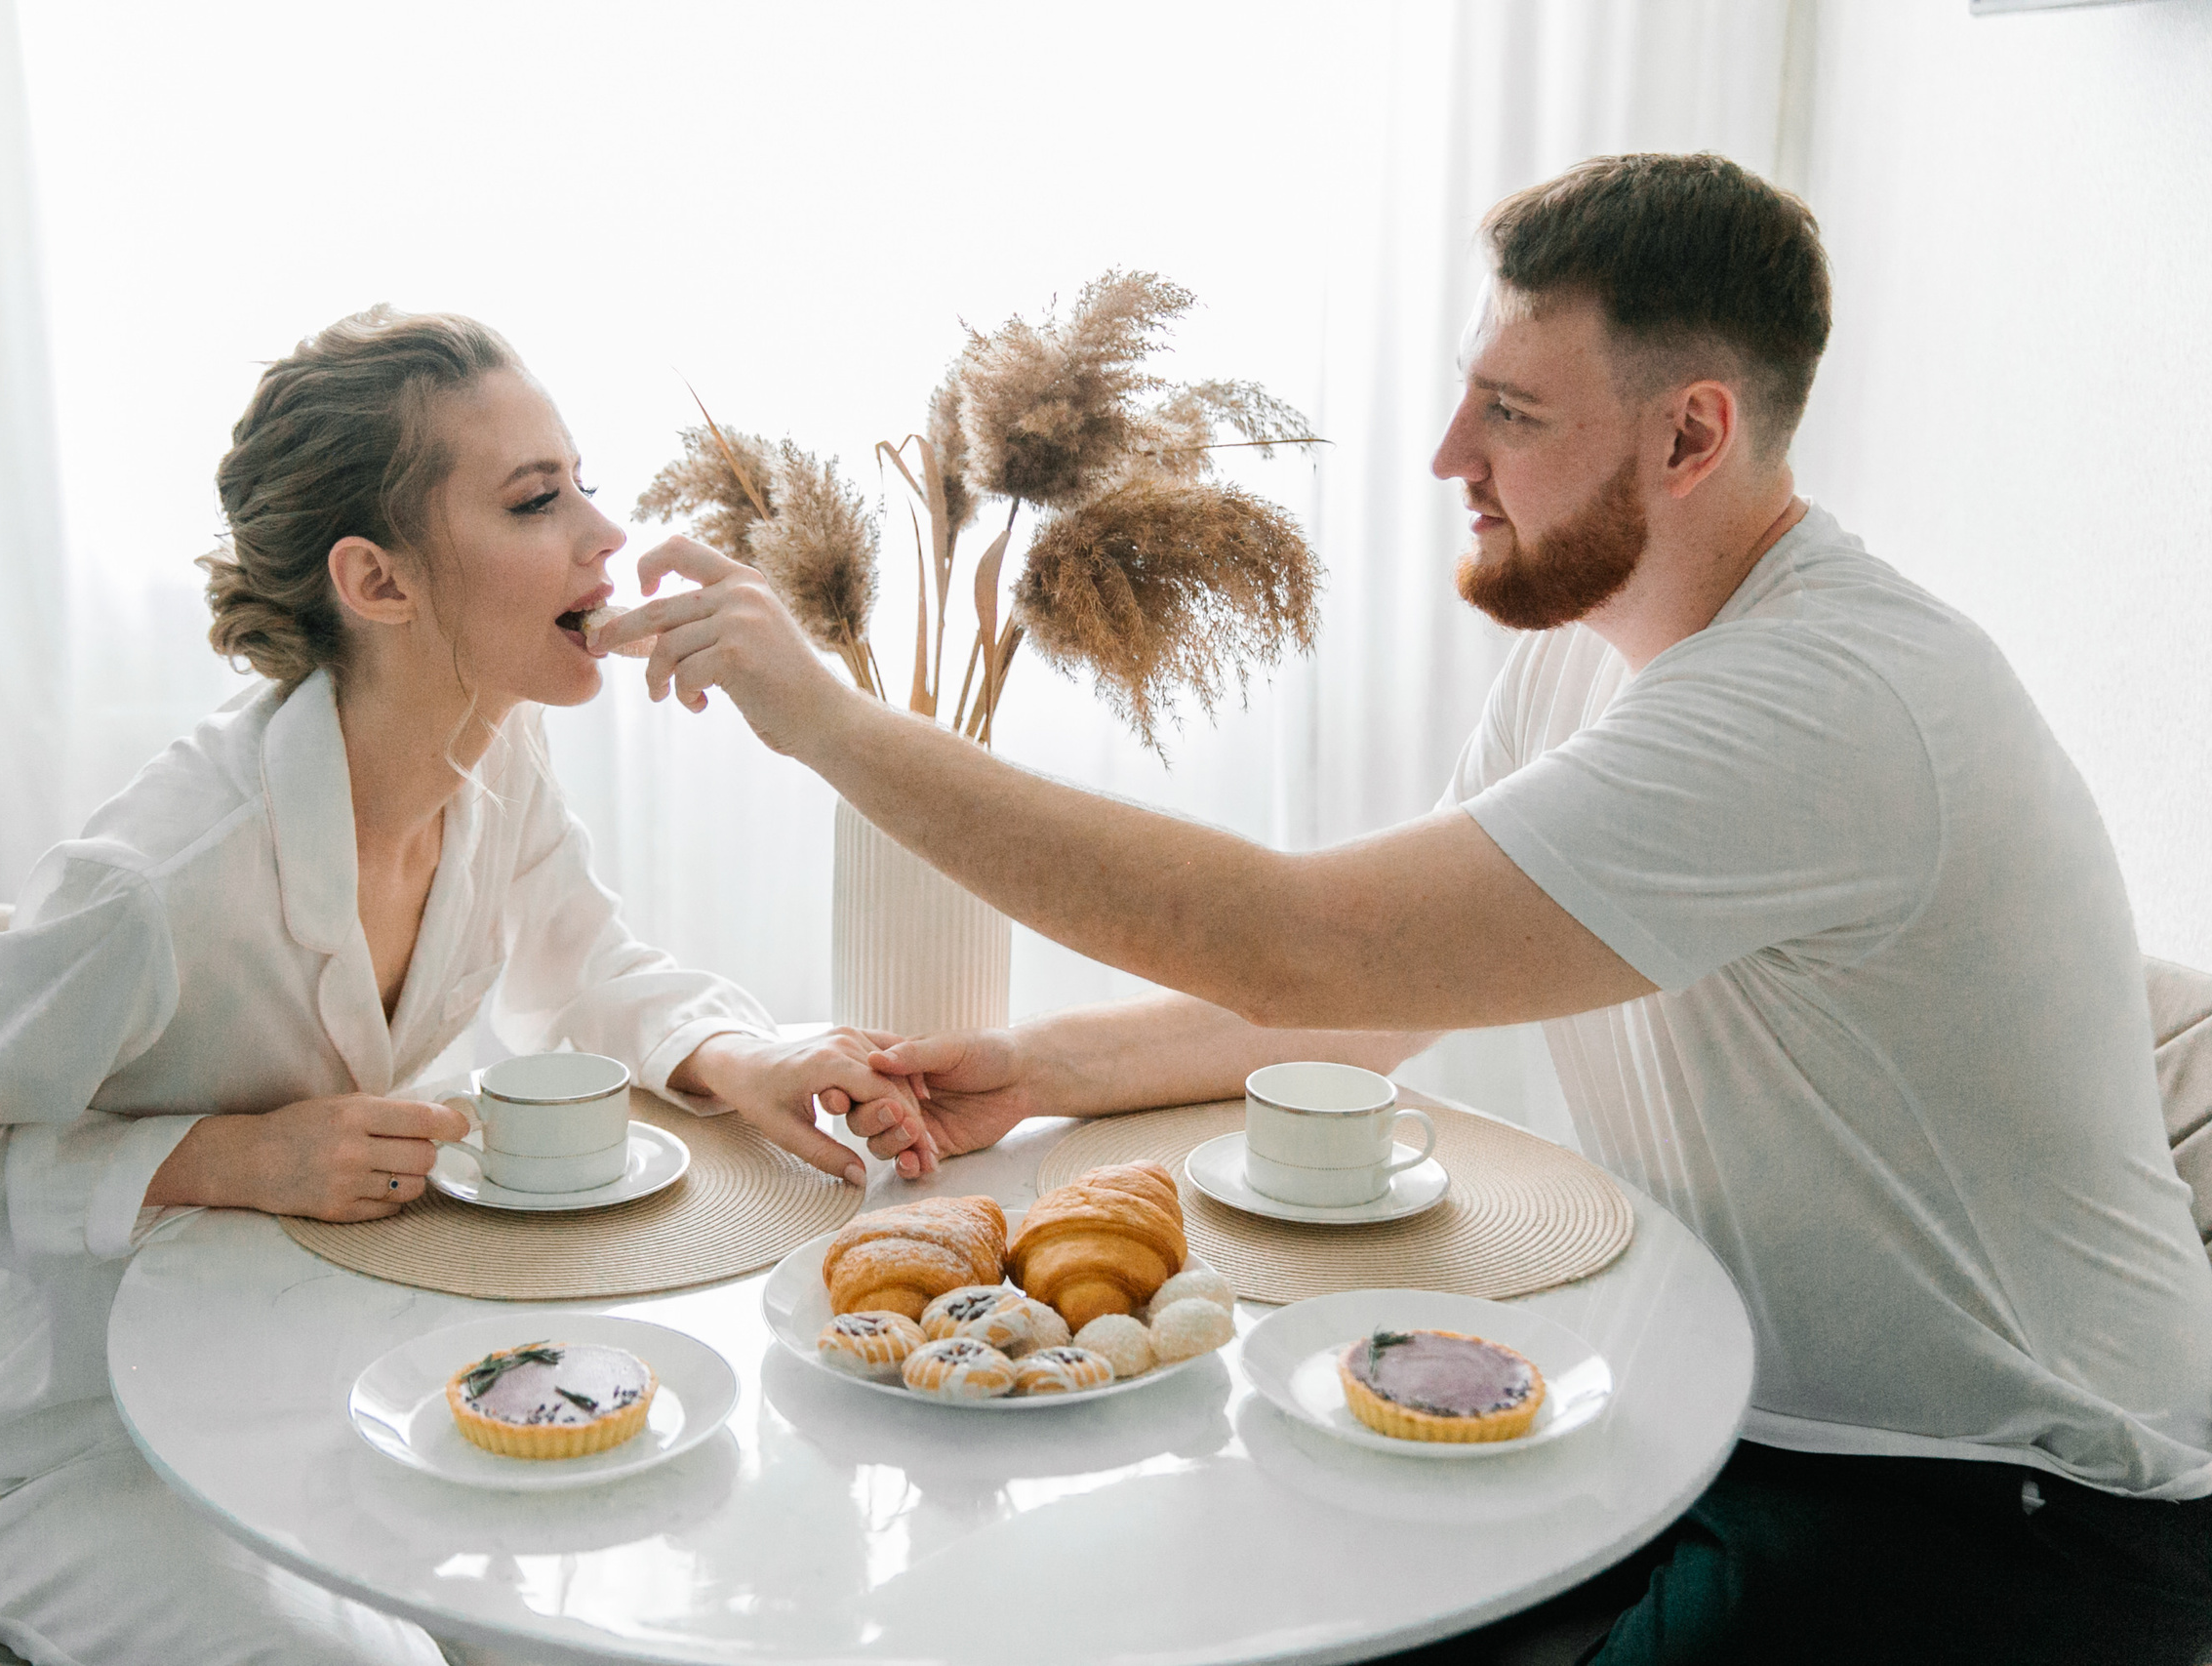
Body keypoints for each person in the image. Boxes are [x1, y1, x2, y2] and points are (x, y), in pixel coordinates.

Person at [600, 154, 2212, 1661]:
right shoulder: (1589, 651)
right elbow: (1382, 997)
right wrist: (1056, 1068)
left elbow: (1308, 941)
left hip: (2012, 1509)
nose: (1450, 456)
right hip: (1723, 1418)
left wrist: (829, 724)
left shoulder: (1822, 705)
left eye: (1509, 411)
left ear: (1691, 436)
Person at [0, 306, 928, 1666]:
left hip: (312, 1373)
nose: (604, 536)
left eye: (583, 479)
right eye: (536, 501)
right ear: (379, 581)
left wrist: (737, 1058)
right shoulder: (154, 886)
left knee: (598, 1616)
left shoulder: (491, 755)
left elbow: (584, 966)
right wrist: (228, 1157)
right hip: (68, 1440)